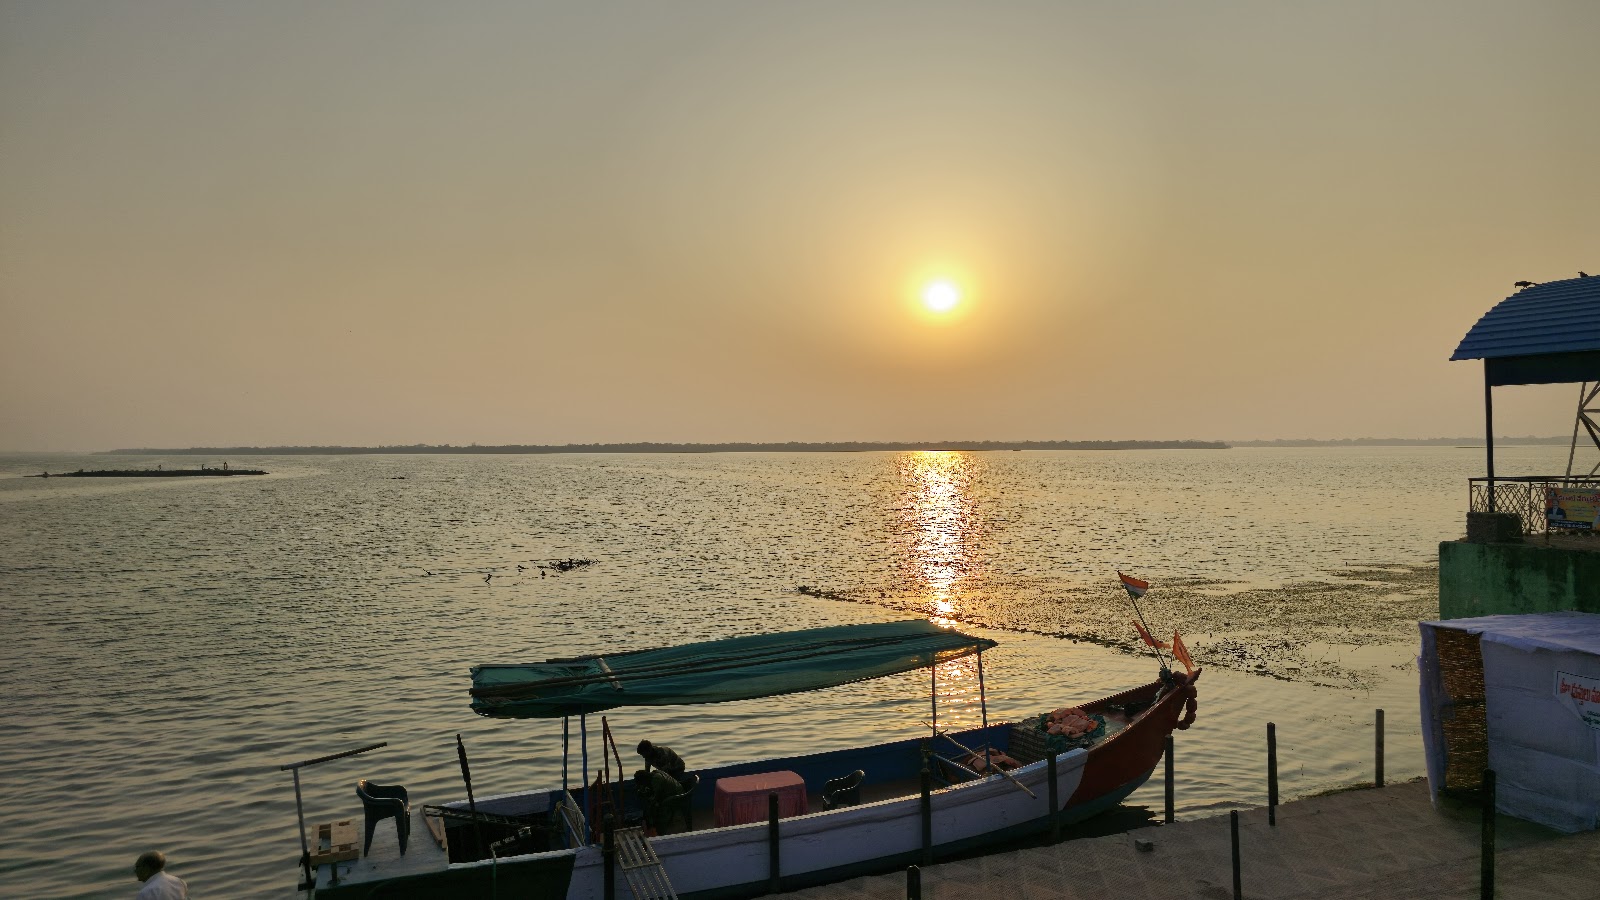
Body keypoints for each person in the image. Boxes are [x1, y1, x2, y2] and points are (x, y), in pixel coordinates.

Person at [633, 768, 685, 833]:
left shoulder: (657, 780)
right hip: (674, 790)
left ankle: (659, 827)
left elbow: (655, 798)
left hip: (677, 795)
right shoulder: (654, 773)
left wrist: (644, 794)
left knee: (654, 806)